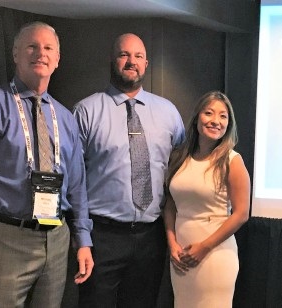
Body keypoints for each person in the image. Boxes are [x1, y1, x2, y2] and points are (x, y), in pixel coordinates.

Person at [0, 21, 93, 308]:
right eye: (31, 46)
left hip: (56, 237)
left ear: (58, 59)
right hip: (3, 239)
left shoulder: (64, 117)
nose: (41, 53)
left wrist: (83, 238)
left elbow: (77, 185)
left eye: (48, 48)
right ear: (15, 54)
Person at [73, 33, 185, 308]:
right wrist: (82, 238)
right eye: (124, 55)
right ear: (112, 61)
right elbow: (73, 180)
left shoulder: (168, 112)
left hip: (151, 236)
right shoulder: (86, 111)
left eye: (137, 56)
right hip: (103, 235)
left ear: (146, 63)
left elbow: (183, 164)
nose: (130, 61)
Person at [163, 91, 250, 307]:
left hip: (215, 256)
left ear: (229, 124)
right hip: (181, 257)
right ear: (197, 117)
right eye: (209, 113)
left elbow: (241, 214)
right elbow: (171, 205)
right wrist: (172, 243)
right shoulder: (180, 157)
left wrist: (204, 247)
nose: (215, 121)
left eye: (223, 116)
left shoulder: (232, 161)